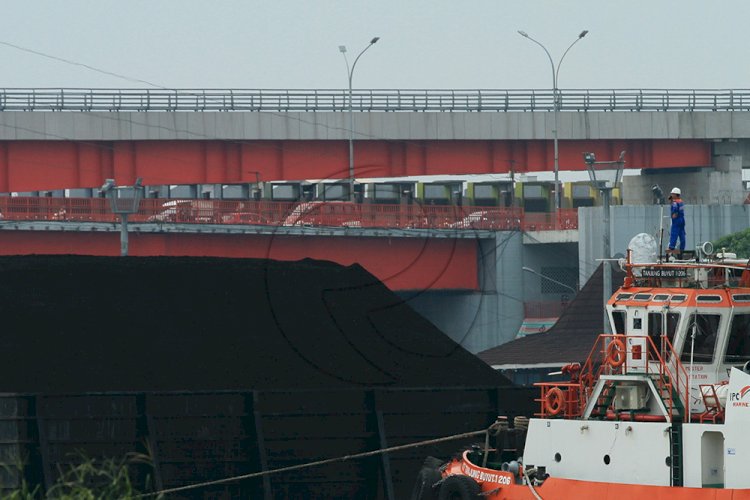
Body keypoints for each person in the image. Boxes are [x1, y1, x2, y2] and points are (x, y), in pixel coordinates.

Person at [667, 187, 685, 256]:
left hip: (676, 220)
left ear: (675, 194)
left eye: (672, 194)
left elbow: (674, 209)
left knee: (674, 234)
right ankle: (682, 248)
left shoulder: (674, 203)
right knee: (682, 235)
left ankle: (671, 247)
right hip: (682, 220)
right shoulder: (681, 201)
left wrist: (674, 214)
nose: (671, 195)